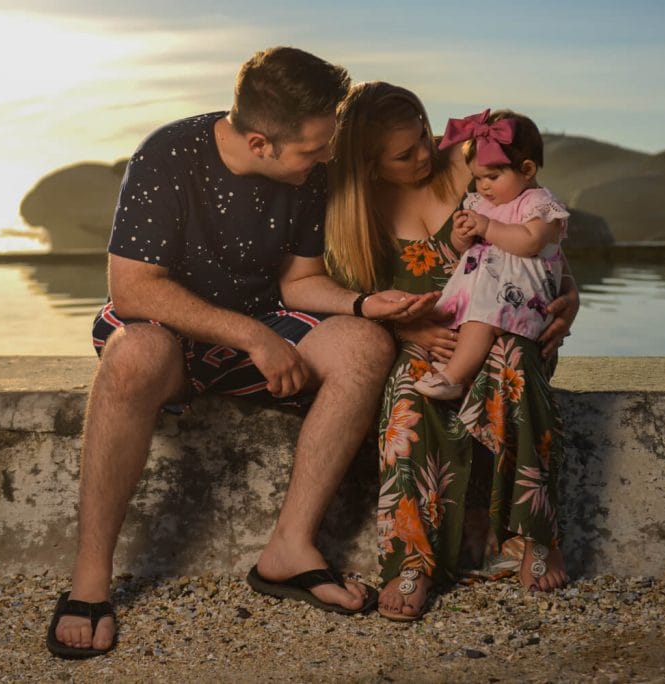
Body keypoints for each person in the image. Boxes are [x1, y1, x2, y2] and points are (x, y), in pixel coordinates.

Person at [46, 49, 438, 658]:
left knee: (364, 346)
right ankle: (91, 578)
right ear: (260, 143)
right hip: (167, 330)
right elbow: (133, 290)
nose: (325, 159)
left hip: (265, 319)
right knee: (132, 356)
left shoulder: (309, 171)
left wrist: (364, 306)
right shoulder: (166, 156)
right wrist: (255, 338)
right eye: (312, 150)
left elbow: (299, 283)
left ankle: (289, 549)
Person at [325, 82, 577, 622]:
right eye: (405, 152)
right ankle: (411, 560)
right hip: (427, 339)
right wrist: (404, 335)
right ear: (369, 163)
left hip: (507, 323)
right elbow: (355, 303)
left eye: (423, 135)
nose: (425, 153)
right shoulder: (353, 215)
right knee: (407, 402)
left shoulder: (467, 162)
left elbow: (538, 232)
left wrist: (571, 296)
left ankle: (537, 532)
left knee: (511, 367)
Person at [413, 109, 570, 400]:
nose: (483, 186)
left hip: (518, 293)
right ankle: (456, 364)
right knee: (453, 320)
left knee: (481, 319)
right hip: (482, 287)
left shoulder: (539, 204)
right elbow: (469, 249)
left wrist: (487, 226)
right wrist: (461, 236)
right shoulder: (485, 202)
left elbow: (530, 242)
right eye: (477, 178)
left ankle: (454, 378)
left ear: (527, 170)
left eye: (492, 176)